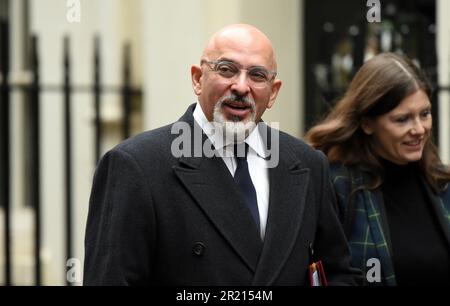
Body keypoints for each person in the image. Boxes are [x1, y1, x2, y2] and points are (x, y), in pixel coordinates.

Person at [83, 24, 357, 286]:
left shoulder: (308, 165)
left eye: (257, 75)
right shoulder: (137, 165)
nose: (241, 86)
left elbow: (336, 272)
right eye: (226, 70)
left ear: (273, 93)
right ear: (198, 79)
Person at [306, 52, 450, 286]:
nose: (419, 129)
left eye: (425, 114)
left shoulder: (441, 182)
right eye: (402, 119)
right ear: (367, 123)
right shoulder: (337, 185)